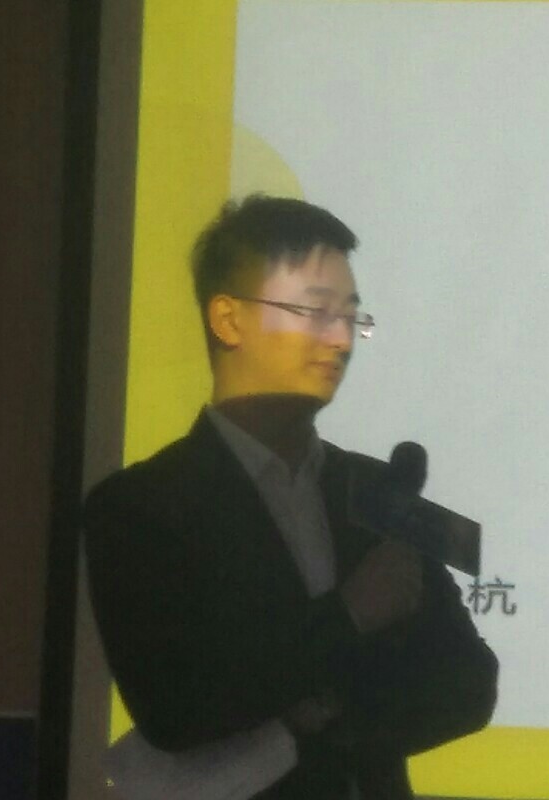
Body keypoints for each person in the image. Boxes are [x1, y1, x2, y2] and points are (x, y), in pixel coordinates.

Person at [84, 195, 498, 799]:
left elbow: (470, 685)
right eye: (314, 311)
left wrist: (313, 718)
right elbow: (177, 709)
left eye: (352, 316)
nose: (341, 339)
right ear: (228, 320)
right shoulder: (139, 507)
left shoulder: (378, 489)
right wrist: (348, 618)